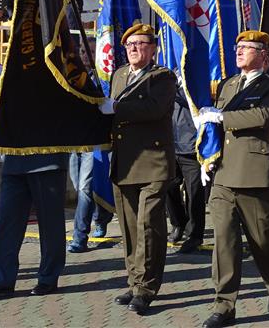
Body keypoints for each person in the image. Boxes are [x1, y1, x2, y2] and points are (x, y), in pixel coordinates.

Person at [198, 30, 269, 328]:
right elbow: (214, 125)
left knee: (263, 241)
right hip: (223, 175)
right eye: (237, 46)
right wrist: (207, 156)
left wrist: (222, 117)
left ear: (264, 54)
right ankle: (224, 305)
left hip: (254, 175)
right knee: (224, 242)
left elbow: (264, 116)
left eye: (246, 47)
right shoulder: (229, 84)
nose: (238, 51)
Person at [98, 23, 176, 315]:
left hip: (153, 163)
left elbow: (154, 109)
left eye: (140, 43)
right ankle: (134, 281)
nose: (132, 48)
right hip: (125, 162)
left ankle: (146, 288)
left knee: (149, 227)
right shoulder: (119, 74)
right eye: (128, 44)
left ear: (153, 49)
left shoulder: (162, 77)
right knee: (130, 229)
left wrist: (117, 108)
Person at [0, 152, 68, 298]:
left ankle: (48, 278)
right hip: (14, 158)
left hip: (47, 158)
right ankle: (2, 279)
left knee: (50, 223)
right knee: (7, 222)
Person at [165, 86, 207, 254]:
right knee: (168, 187)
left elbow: (193, 100)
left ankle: (194, 234)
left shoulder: (194, 73)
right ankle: (178, 223)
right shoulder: (165, 71)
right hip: (169, 143)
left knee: (194, 192)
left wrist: (172, 88)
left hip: (191, 144)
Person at [67, 151, 113, 253]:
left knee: (85, 189)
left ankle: (79, 238)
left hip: (94, 147)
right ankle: (102, 216)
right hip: (72, 147)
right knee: (79, 188)